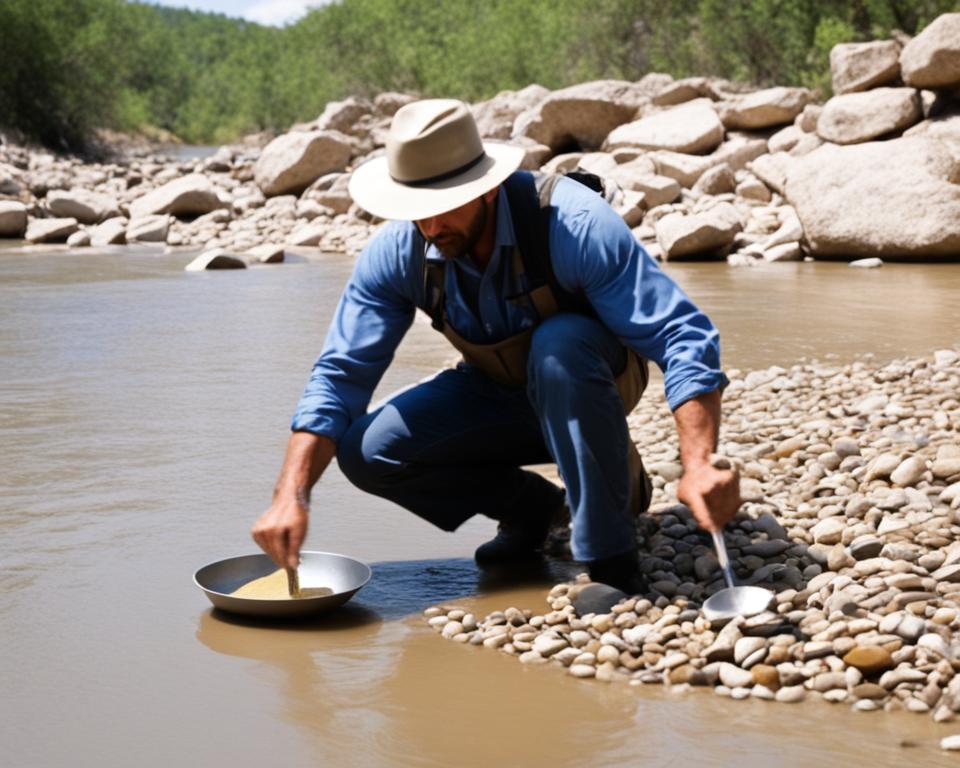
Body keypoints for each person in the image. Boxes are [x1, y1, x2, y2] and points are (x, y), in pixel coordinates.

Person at [251, 99, 740, 593]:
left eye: (444, 206)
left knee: (560, 345)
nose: (431, 228)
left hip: (592, 381)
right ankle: (536, 512)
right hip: (496, 391)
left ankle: (610, 555)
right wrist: (292, 495)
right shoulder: (403, 251)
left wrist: (698, 463)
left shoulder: (572, 223)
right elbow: (340, 375)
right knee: (367, 450)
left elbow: (682, 334)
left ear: (487, 189)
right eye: (416, 212)